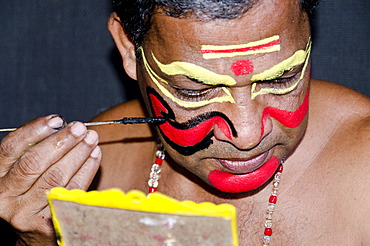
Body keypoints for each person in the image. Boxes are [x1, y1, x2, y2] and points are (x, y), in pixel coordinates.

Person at [0, 0, 369, 245]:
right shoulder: (95, 173)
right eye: (195, 91)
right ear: (130, 49)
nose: (247, 133)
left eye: (280, 78)